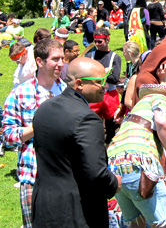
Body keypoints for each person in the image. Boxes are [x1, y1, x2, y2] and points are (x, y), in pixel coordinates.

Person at [32, 57, 121, 227]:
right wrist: (115, 183)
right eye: (100, 81)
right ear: (80, 84)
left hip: (44, 207)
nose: (105, 86)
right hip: (77, 213)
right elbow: (96, 172)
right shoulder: (88, 119)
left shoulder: (44, 109)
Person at [3, 39, 67, 228]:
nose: (61, 64)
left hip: (66, 175)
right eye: (56, 59)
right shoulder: (19, 94)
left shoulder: (68, 92)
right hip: (33, 174)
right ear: (39, 61)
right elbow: (8, 135)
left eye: (62, 58)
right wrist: (38, 127)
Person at [108, 81, 166, 228]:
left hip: (114, 166)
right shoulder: (161, 98)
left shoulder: (139, 107)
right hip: (137, 162)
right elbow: (161, 121)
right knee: (160, 223)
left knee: (135, 223)